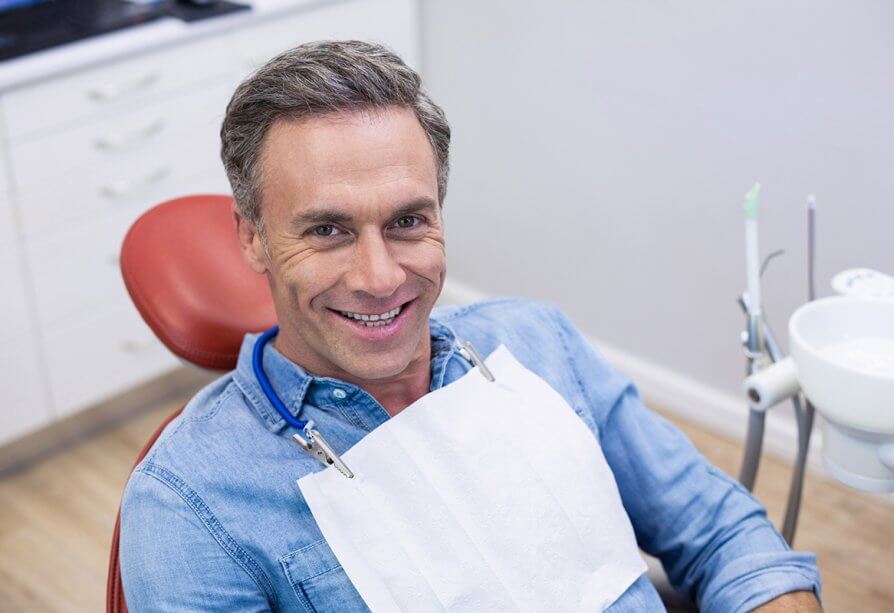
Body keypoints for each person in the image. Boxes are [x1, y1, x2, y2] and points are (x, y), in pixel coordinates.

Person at [119, 40, 822, 611]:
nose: (380, 276)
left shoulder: (538, 342)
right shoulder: (190, 504)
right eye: (327, 229)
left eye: (407, 221)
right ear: (251, 239)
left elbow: (724, 532)